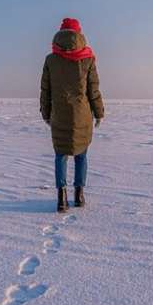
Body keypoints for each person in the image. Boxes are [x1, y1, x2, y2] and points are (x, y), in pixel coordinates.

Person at [40, 17, 105, 212]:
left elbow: (46, 90)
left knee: (61, 155)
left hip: (59, 114)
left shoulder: (51, 59)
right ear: (79, 34)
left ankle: (61, 197)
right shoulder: (88, 58)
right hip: (82, 115)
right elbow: (93, 90)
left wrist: (46, 113)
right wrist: (99, 112)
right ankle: (79, 195)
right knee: (81, 154)